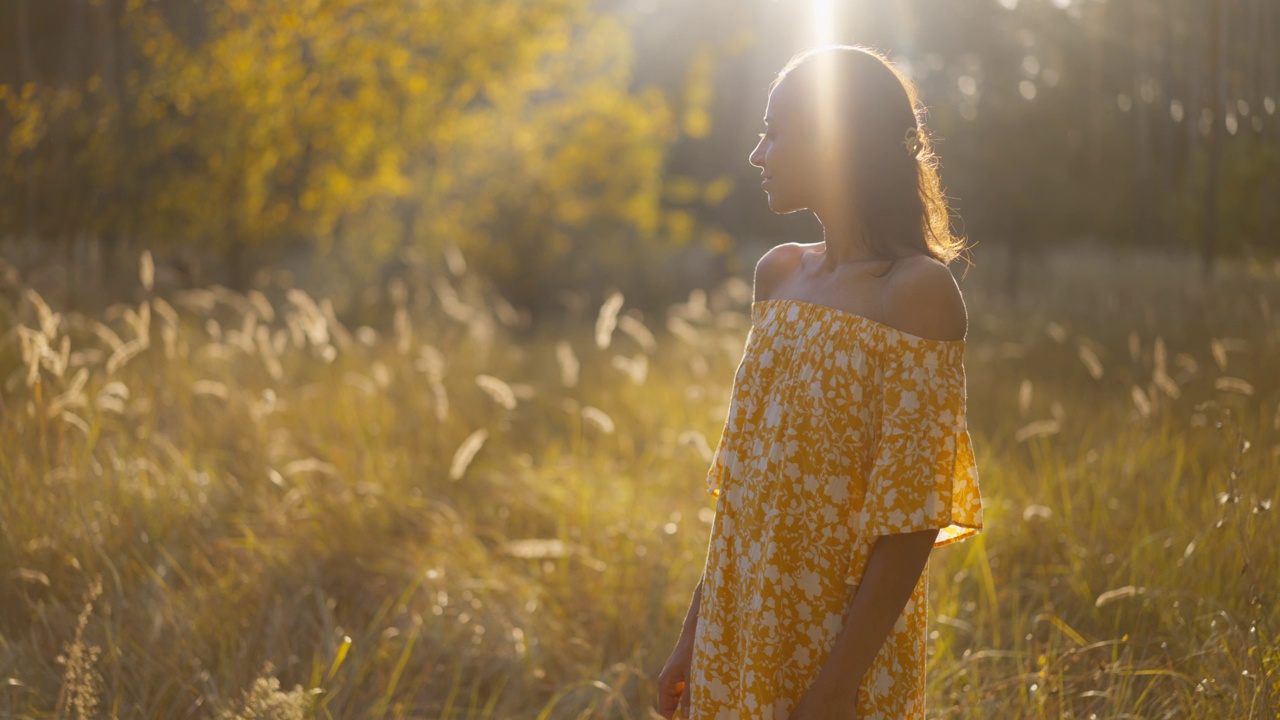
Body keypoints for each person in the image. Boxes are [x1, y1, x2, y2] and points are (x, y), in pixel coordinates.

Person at [655, 45, 984, 720]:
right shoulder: (778, 276)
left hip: (839, 649)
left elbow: (911, 520)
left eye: (774, 132)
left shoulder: (916, 293)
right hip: (738, 628)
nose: (757, 154)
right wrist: (694, 634)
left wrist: (837, 686)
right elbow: (744, 489)